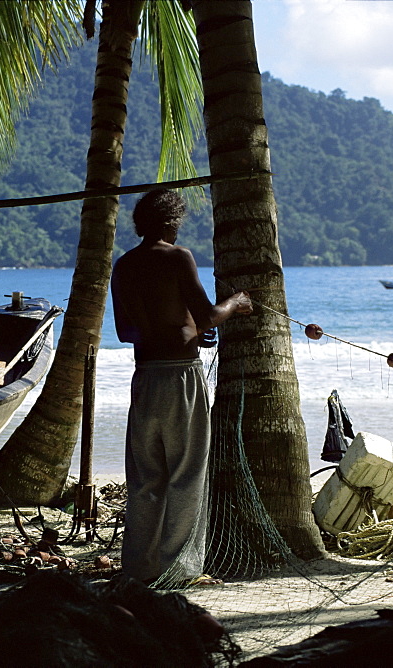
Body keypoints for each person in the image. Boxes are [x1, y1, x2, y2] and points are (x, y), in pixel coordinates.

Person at [111, 189, 252, 585]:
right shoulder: (178, 257)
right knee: (187, 473)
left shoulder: (123, 265)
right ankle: (180, 569)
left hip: (145, 379)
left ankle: (139, 569)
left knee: (145, 478)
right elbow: (208, 316)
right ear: (173, 221)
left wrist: (182, 326)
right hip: (181, 377)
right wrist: (237, 301)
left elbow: (127, 331)